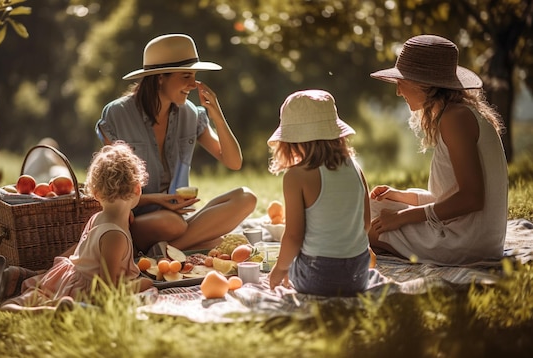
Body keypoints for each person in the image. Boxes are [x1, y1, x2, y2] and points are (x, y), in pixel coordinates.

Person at [96, 33, 256, 254]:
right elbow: (107, 191)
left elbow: (233, 162)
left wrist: (217, 115)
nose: (193, 84)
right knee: (175, 224)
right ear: (160, 77)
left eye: (194, 76)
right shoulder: (117, 114)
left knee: (246, 197)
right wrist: (159, 200)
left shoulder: (190, 114)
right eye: (186, 76)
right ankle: (195, 243)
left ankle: (168, 250)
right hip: (136, 219)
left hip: (177, 217)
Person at [368, 34, 508, 266]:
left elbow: (472, 198)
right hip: (466, 230)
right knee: (369, 207)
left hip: (468, 241)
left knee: (366, 229)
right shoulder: (458, 113)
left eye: (402, 81)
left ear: (422, 83)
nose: (398, 91)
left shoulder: (456, 118)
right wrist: (402, 196)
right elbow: (450, 197)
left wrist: (401, 217)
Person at [0, 142, 154, 312]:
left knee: (38, 294)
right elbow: (106, 288)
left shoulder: (97, 218)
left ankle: (12, 301)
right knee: (143, 288)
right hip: (85, 291)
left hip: (68, 276)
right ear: (138, 189)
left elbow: (78, 249)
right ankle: (47, 310)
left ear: (95, 193)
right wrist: (143, 283)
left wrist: (53, 269)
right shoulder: (115, 236)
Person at [266, 90, 373, 297]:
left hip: (318, 276)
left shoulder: (296, 176)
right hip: (358, 275)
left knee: (294, 261)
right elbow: (366, 223)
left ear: (291, 140)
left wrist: (280, 268)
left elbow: (294, 236)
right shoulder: (356, 167)